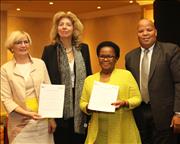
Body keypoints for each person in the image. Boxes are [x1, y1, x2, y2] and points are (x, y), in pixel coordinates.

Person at [125, 18, 180, 144]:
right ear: (137, 34)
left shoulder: (170, 51)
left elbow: (178, 82)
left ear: (155, 32)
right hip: (139, 114)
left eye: (149, 30)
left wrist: (178, 113)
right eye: (141, 31)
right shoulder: (130, 57)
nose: (145, 33)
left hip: (165, 115)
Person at [41, 11, 92, 144]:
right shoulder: (49, 50)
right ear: (56, 28)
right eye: (61, 24)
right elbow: (44, 81)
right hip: (58, 104)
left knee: (79, 139)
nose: (64, 27)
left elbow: (89, 77)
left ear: (74, 29)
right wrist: (49, 116)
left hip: (80, 102)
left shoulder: (84, 49)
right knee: (61, 139)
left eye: (68, 24)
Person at [80, 41, 142, 144]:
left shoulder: (126, 75)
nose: (105, 59)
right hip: (97, 131)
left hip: (122, 129)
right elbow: (82, 102)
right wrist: (88, 107)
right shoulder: (89, 80)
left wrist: (124, 103)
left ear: (116, 58)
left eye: (109, 56)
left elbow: (137, 98)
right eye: (102, 56)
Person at [0, 30, 56, 144]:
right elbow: (6, 100)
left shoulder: (40, 64)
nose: (23, 45)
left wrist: (51, 119)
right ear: (11, 46)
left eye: (26, 42)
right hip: (19, 125)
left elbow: (49, 91)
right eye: (19, 42)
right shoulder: (5, 69)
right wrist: (28, 114)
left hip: (42, 122)